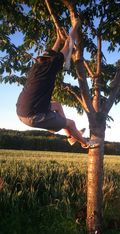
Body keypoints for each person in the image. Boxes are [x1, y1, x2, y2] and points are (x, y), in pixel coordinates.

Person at [16, 18, 100, 148]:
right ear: (51, 60)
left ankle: (70, 137)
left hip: (23, 109)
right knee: (70, 123)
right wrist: (76, 26)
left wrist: (57, 39)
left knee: (57, 105)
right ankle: (86, 143)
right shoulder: (51, 66)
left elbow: (52, 52)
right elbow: (68, 45)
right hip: (33, 115)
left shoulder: (37, 67)